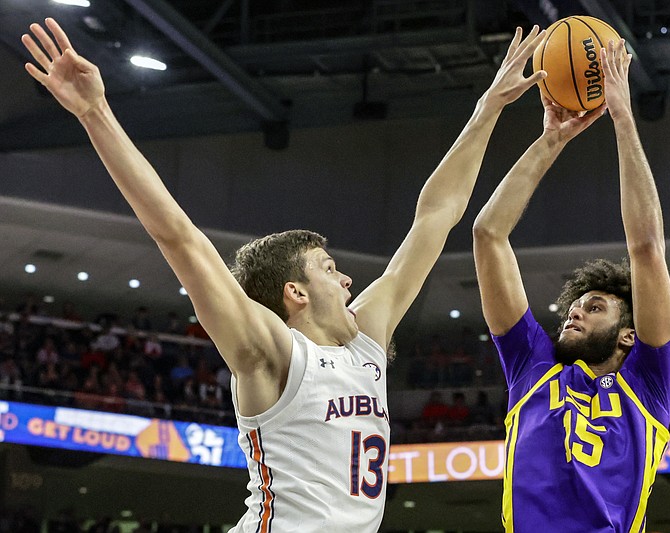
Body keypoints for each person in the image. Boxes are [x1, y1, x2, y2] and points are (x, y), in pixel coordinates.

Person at [22, 18, 548, 532]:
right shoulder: (271, 352)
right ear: (294, 293)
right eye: (330, 269)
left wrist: (489, 108)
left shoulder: (365, 340)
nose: (347, 282)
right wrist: (96, 112)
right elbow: (178, 236)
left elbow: (437, 215)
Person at [472, 39, 670, 532]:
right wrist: (551, 141)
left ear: (629, 334)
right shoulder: (533, 366)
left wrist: (624, 120)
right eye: (576, 305)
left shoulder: (649, 384)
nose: (575, 313)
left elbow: (647, 247)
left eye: (595, 306)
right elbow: (488, 234)